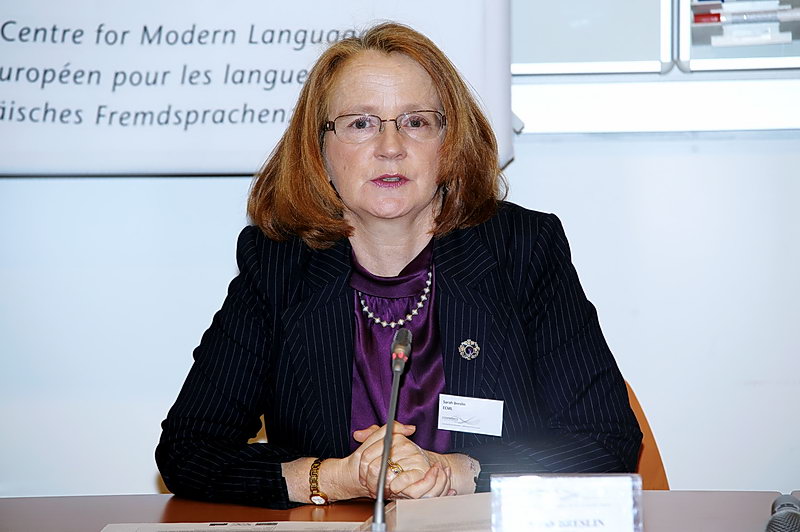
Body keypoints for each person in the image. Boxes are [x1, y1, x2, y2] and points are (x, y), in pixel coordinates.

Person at [156, 22, 642, 509]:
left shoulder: (521, 249)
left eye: (415, 122)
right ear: (320, 150)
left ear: (448, 143)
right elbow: (188, 450)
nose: (390, 147)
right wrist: (335, 478)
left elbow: (604, 441)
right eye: (360, 124)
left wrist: (456, 472)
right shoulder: (279, 263)